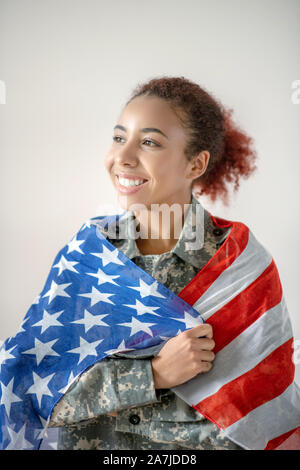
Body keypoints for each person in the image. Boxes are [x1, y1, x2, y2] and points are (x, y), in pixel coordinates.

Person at [47, 75, 258, 450]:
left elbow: (256, 416)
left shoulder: (237, 264)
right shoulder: (89, 253)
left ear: (196, 165)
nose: (123, 158)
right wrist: (154, 375)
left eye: (149, 142)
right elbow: (38, 394)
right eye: (118, 137)